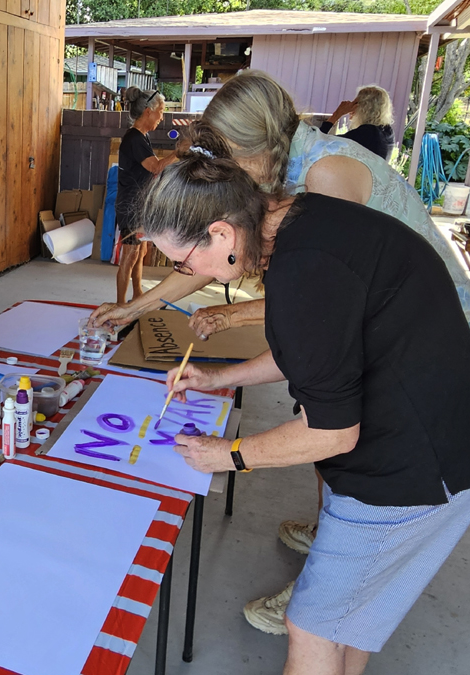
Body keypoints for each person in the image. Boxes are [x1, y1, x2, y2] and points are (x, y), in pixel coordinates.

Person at [140, 129, 470, 675]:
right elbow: (314, 355)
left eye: (182, 262)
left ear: (221, 232)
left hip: (416, 463)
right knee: (351, 619)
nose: (188, 276)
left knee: (312, 624)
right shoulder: (301, 221)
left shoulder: (304, 268)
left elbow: (333, 431)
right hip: (438, 432)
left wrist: (229, 454)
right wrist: (219, 378)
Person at [89, 71, 470, 337]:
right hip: (389, 313)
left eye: (229, 159)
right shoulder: (272, 166)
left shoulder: (326, 173)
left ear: (258, 143)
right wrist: (134, 308)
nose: (226, 172)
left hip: (438, 317)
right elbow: (215, 256)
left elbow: (325, 295)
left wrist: (229, 315)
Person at [114, 86, 176, 305]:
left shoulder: (142, 137)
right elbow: (156, 168)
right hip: (130, 206)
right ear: (148, 111)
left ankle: (138, 294)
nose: (162, 116)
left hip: (139, 204)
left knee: (139, 252)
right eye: (161, 111)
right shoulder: (134, 139)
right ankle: (121, 305)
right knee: (129, 256)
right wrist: (179, 152)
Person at [319, 85, 396, 160]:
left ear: (362, 107)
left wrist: (337, 114)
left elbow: (318, 142)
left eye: (355, 103)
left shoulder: (367, 133)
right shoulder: (387, 132)